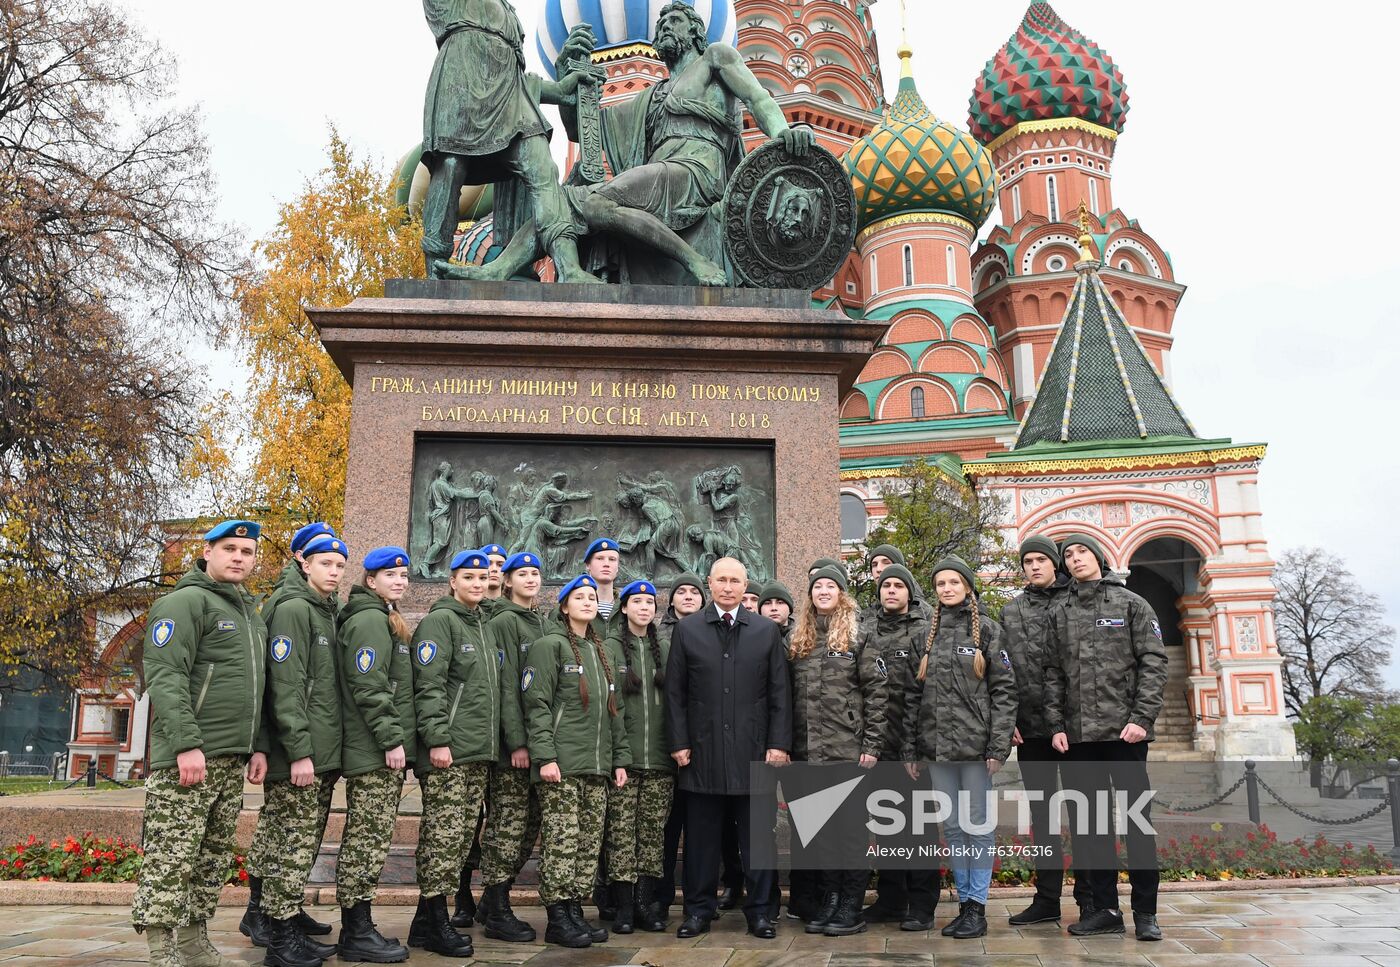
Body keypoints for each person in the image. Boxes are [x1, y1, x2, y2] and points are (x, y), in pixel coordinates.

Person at [132, 520, 269, 967]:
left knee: (211, 856)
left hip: (231, 757)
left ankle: (193, 942)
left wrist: (258, 746)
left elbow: (258, 688)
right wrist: (186, 744)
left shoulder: (250, 614)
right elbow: (166, 675)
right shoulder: (184, 602)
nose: (239, 558)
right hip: (190, 757)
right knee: (172, 855)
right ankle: (162, 950)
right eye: (230, 548)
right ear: (207, 551)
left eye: (247, 552)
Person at [418, 1, 596, 281]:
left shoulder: (508, 12)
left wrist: (560, 87)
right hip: (461, 85)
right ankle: (435, 268)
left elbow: (513, 76)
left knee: (543, 172)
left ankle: (569, 268)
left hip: (511, 101)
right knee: (451, 166)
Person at [1046, 533, 1167, 942]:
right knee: (1091, 829)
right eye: (1068, 555)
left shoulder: (1131, 604)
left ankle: (1146, 913)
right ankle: (1106, 910)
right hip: (1079, 738)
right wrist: (1056, 725)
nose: (1075, 558)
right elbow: (1052, 673)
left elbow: (1153, 663)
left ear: (1098, 557)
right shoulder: (1060, 611)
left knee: (1137, 825)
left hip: (1125, 735)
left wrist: (1142, 719)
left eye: (1082, 551)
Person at [665, 558, 791, 940]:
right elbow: (675, 693)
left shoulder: (766, 631)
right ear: (710, 583)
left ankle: (760, 913)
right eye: (721, 579)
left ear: (745, 585)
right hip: (701, 754)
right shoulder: (688, 630)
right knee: (701, 842)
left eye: (735, 580)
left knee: (758, 841)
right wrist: (679, 742)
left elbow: (779, 694)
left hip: (753, 753)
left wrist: (778, 744)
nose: (728, 586)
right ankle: (697, 911)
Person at [245, 534, 349, 967]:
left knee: (290, 840)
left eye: (340, 566)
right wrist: (300, 751)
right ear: (304, 563)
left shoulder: (322, 609)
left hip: (317, 750)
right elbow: (286, 688)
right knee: (292, 842)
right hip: (299, 755)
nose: (334, 572)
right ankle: (280, 936)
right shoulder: (293, 609)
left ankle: (272, 918)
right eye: (325, 563)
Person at [902, 556, 1016, 941]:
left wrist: (998, 747)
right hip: (936, 750)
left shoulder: (989, 631)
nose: (947, 589)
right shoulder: (924, 637)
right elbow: (912, 698)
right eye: (940, 584)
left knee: (977, 826)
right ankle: (965, 903)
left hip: (976, 751)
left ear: (967, 586)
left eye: (954, 582)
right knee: (952, 827)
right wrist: (911, 750)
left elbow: (1005, 693)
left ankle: (976, 907)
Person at [523, 574, 630, 948]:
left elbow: (614, 711)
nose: (587, 602)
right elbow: (536, 705)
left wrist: (619, 760)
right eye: (579, 597)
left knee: (587, 843)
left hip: (597, 765)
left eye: (591, 597)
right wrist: (545, 757)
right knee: (562, 840)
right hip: (562, 765)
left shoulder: (602, 651)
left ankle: (573, 911)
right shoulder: (549, 646)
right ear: (565, 606)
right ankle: (557, 917)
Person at [409, 549, 501, 958]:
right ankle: (437, 923)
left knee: (460, 838)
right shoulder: (440, 622)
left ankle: (422, 923)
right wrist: (436, 739)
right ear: (452, 582)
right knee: (443, 837)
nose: (477, 584)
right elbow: (429, 686)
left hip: (477, 750)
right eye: (469, 578)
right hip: (449, 751)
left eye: (482, 578)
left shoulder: (482, 624)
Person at [786, 565, 887, 937]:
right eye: (818, 586)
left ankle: (850, 904)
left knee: (851, 833)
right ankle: (830, 899)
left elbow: (877, 694)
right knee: (823, 832)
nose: (824, 591)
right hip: (809, 754)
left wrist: (872, 745)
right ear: (810, 595)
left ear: (841, 593)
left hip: (848, 751)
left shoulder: (859, 636)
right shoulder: (800, 638)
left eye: (831, 586)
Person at [1000, 536, 1088, 927]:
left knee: (1084, 815)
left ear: (1056, 564)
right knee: (1043, 816)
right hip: (1031, 729)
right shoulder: (1012, 611)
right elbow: (1003, 671)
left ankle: (1089, 899)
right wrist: (1010, 720)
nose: (1034, 566)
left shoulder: (1077, 601)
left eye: (1041, 559)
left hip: (1077, 728)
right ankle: (1047, 899)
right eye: (1028, 561)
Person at [334, 546, 416, 964]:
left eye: (403, 575)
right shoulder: (368, 620)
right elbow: (369, 687)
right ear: (371, 580)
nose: (399, 581)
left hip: (378, 749)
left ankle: (360, 926)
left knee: (372, 839)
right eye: (390, 575)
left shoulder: (385, 616)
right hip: (373, 751)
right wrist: (390, 739)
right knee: (366, 840)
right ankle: (355, 931)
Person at [858, 563, 936, 930]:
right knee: (886, 823)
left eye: (898, 585)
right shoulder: (866, 628)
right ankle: (891, 900)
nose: (891, 590)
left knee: (919, 827)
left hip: (915, 745)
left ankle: (921, 904)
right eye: (886, 585)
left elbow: (929, 691)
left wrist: (916, 746)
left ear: (910, 591)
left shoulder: (926, 628)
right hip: (878, 743)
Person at [478, 551, 549, 943]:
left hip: (541, 743)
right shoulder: (504, 621)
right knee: (508, 825)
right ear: (507, 581)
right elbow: (505, 685)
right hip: (515, 750)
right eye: (522, 573)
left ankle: (492, 900)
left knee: (529, 824)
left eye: (535, 573)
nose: (531, 579)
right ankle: (498, 908)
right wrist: (517, 742)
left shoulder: (543, 621)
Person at [604, 580, 675, 934]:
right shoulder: (611, 647)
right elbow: (610, 707)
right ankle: (623, 907)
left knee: (651, 835)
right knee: (621, 834)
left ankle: (644, 904)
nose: (644, 608)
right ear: (625, 607)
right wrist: (618, 756)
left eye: (649, 603)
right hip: (625, 762)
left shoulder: (665, 647)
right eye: (637, 602)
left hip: (660, 761)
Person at [656, 573, 706, 920]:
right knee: (666, 828)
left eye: (694, 592)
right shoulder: (657, 635)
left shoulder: (712, 633)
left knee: (700, 830)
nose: (688, 596)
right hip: (666, 746)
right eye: (681, 591)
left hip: (702, 745)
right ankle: (660, 897)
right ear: (671, 599)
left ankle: (697, 899)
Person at [585, 537, 622, 627]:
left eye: (612, 559)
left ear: (618, 567)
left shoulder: (626, 606)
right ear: (588, 565)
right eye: (600, 558)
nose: (606, 564)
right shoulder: (573, 605)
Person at [757, 582, 794, 646]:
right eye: (767, 603)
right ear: (760, 610)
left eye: (780, 602)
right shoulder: (752, 638)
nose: (774, 608)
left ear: (789, 609)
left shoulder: (803, 638)